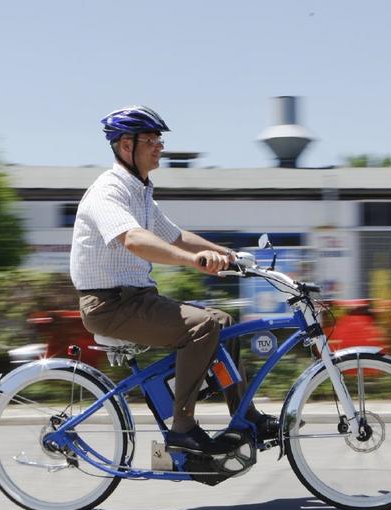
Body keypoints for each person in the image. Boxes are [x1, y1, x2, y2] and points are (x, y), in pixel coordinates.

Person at [69, 105, 278, 455]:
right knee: (202, 328)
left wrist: (227, 255)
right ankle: (183, 429)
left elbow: (175, 236)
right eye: (150, 140)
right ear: (125, 147)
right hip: (109, 305)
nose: (159, 147)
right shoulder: (109, 191)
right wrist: (194, 262)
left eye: (159, 140)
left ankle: (245, 417)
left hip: (136, 299)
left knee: (223, 323)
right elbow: (133, 239)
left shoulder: (140, 191)